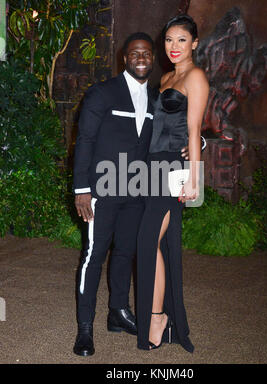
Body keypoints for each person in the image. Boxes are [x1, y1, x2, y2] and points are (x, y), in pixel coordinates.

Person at [72, 32, 188, 356]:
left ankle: (118, 313)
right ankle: (85, 328)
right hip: (102, 190)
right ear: (126, 57)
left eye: (147, 54)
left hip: (137, 191)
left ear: (152, 59)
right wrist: (82, 189)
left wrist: (197, 145)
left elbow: (173, 134)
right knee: (94, 256)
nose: (142, 58)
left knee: (126, 253)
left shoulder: (156, 98)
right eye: (136, 53)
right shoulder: (102, 93)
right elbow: (85, 142)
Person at [136, 14, 209, 352]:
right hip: (150, 167)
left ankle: (157, 317)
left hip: (172, 171)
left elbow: (194, 131)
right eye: (168, 40)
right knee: (154, 244)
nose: (174, 46)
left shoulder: (195, 77)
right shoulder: (165, 76)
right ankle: (160, 317)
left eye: (181, 40)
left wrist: (194, 178)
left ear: (194, 42)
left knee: (149, 240)